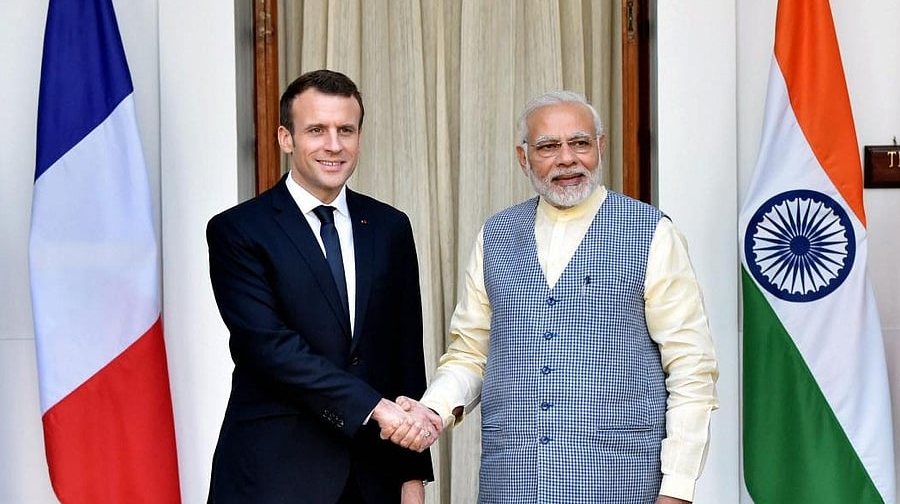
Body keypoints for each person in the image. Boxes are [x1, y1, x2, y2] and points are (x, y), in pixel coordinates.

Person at [392, 91, 719, 503]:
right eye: (548, 146)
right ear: (523, 157)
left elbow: (692, 368)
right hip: (511, 485)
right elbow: (470, 353)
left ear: (600, 148)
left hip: (621, 484)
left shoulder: (652, 233)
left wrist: (677, 489)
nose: (567, 159)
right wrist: (432, 411)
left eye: (579, 143)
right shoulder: (495, 236)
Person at [206, 69, 435, 504]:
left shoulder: (389, 227)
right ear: (286, 138)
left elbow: (406, 359)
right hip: (273, 476)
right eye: (316, 130)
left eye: (345, 130)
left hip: (374, 478)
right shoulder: (238, 231)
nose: (334, 145)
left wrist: (412, 478)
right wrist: (375, 407)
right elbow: (270, 349)